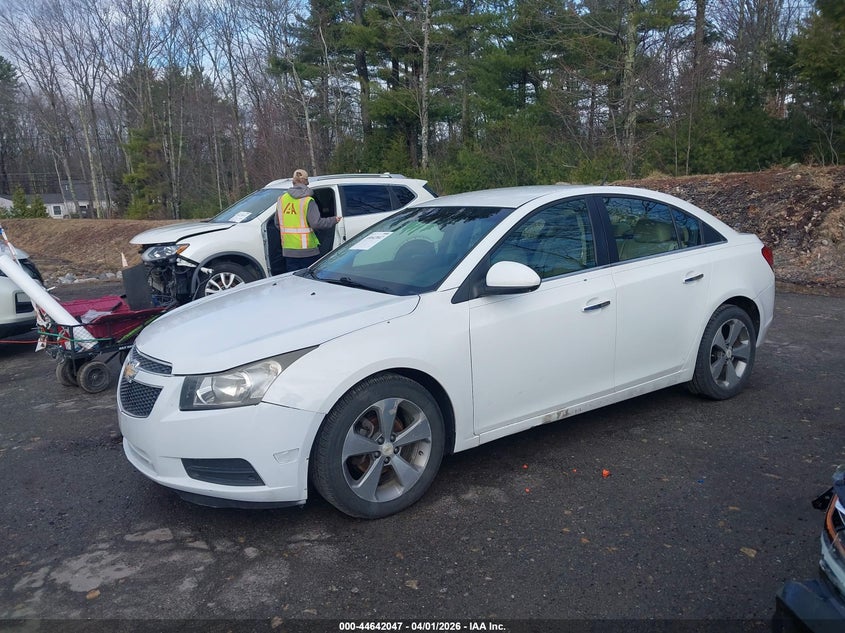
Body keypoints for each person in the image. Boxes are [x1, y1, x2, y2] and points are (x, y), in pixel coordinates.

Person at [275, 169, 341, 272]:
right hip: (308, 251)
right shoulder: (308, 200)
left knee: (294, 282)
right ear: (306, 182)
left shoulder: (282, 199)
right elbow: (316, 223)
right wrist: (333, 220)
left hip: (289, 251)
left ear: (293, 181)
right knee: (309, 281)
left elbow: (277, 223)